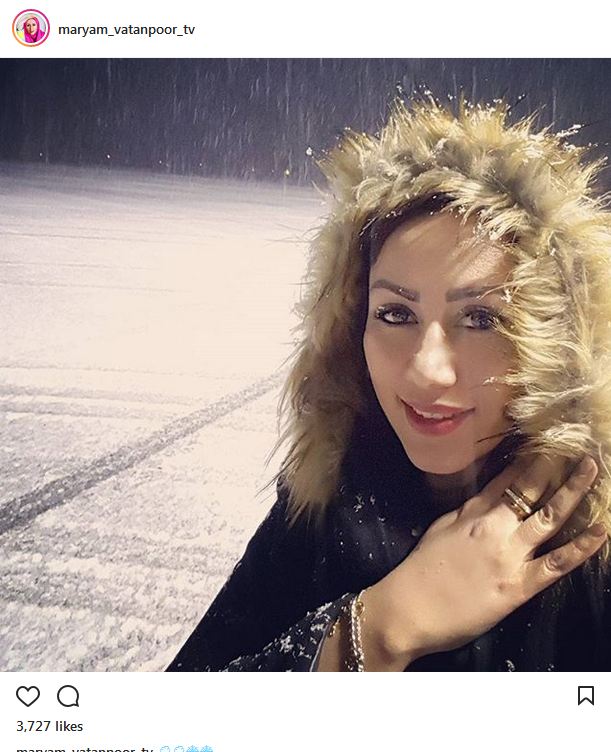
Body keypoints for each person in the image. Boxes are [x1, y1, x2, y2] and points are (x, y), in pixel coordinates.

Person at [167, 97, 611, 672]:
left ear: (557, 342)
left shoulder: (595, 557)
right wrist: (379, 630)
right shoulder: (326, 499)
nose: (427, 371)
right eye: (396, 314)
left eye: (482, 319)